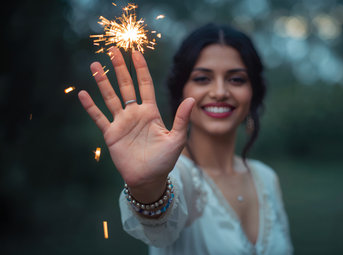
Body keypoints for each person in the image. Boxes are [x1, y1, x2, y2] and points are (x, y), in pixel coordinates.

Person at [78, 23, 293, 254]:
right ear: (181, 90)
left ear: (253, 93)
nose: (220, 92)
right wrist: (148, 187)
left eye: (236, 80)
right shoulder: (174, 173)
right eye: (202, 79)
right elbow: (159, 224)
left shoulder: (267, 178)